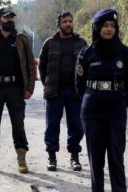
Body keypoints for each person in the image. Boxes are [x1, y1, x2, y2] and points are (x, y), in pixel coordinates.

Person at [75, 9, 128, 192]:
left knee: (116, 160)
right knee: (96, 160)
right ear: (97, 28)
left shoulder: (125, 53)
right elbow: (79, 85)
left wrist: (119, 101)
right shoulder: (86, 53)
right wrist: (92, 100)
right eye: (105, 26)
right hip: (92, 112)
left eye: (112, 26)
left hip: (116, 112)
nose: (109, 29)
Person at [0, 7, 36, 174]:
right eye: (5, 17)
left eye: (11, 17)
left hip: (16, 88)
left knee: (18, 124)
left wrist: (30, 87)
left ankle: (21, 160)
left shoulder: (21, 40)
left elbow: (30, 64)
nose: (9, 20)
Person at [38, 12, 87, 172]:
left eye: (70, 21)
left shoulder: (81, 43)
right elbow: (42, 66)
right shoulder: (50, 43)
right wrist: (47, 83)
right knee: (52, 125)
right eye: (65, 21)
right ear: (58, 24)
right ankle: (52, 157)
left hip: (75, 92)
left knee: (76, 126)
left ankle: (75, 157)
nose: (68, 24)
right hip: (55, 92)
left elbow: (87, 65)